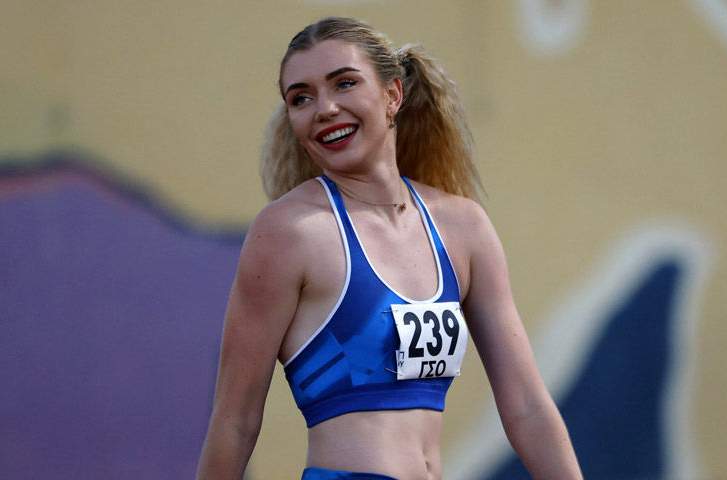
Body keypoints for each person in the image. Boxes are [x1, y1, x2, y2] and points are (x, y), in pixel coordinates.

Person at [196, 16, 582, 480]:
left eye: (344, 83)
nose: (324, 108)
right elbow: (235, 421)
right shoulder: (288, 232)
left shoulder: (464, 226)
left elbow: (526, 405)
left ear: (393, 95)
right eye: (301, 98)